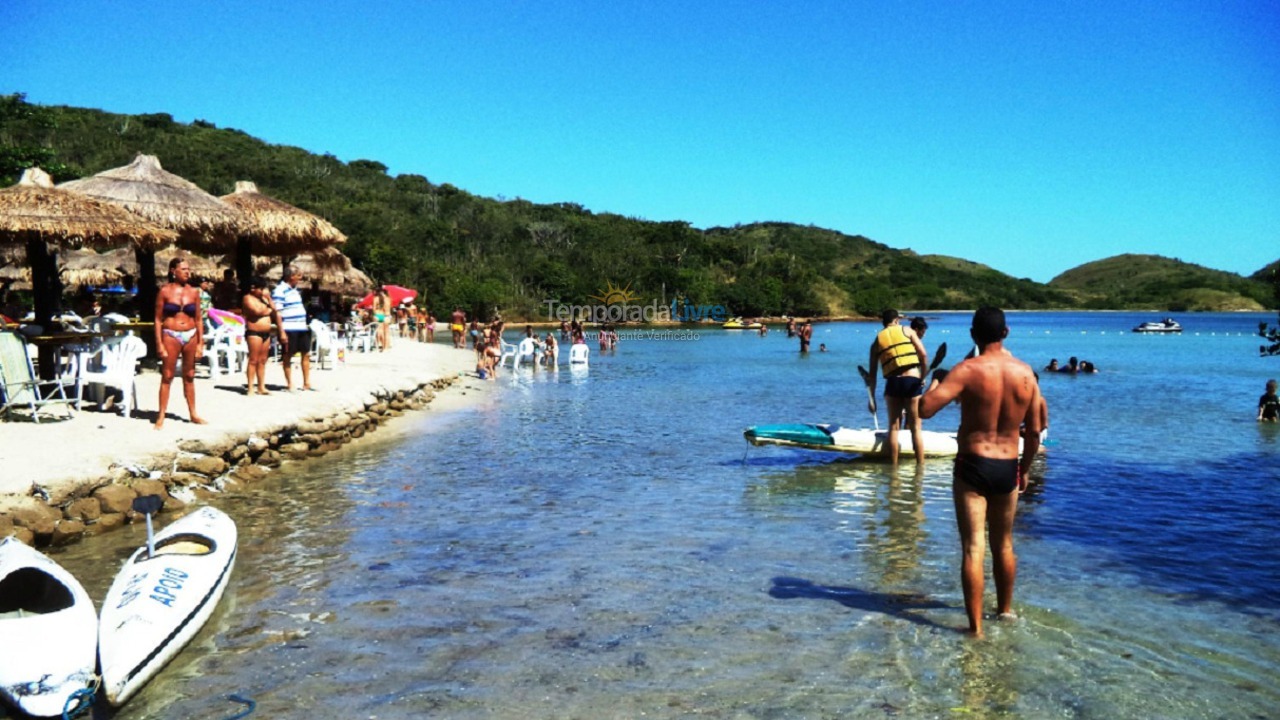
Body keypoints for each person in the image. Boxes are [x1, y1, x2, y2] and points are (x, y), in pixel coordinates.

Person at [920, 307, 1043, 637]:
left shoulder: (966, 370)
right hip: (1008, 466)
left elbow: (925, 410)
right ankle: (1005, 612)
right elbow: (1033, 432)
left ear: (973, 334)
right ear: (1006, 333)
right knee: (1003, 544)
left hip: (973, 464)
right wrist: (1025, 470)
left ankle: (975, 630)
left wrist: (933, 382)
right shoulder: (1027, 374)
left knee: (974, 548)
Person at [867, 309, 928, 464]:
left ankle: (893, 470)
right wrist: (923, 376)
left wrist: (871, 398)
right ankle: (920, 468)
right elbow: (924, 355)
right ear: (895, 321)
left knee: (894, 429)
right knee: (916, 428)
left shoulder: (876, 342)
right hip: (912, 381)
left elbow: (872, 376)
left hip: (893, 383)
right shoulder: (907, 331)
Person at [153, 256, 206, 428]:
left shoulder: (194, 292)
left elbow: (198, 319)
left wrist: (200, 343)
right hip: (171, 334)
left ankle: (193, 413)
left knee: (189, 375)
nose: (187, 272)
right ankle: (161, 415)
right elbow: (157, 319)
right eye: (183, 269)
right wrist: (159, 343)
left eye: (188, 269)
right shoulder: (164, 291)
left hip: (190, 334)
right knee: (167, 375)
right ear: (173, 271)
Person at [272, 264, 313, 392]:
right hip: (289, 327)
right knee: (287, 355)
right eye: (298, 276)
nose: (300, 279)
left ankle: (307, 383)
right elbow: (277, 312)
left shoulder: (295, 290)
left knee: (306, 354)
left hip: (301, 326)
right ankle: (290, 383)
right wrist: (281, 331)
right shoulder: (279, 290)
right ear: (291, 276)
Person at [241, 276, 284, 396]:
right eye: (261, 289)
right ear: (253, 288)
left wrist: (269, 300)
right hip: (254, 333)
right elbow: (257, 311)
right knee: (253, 360)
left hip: (266, 333)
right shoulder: (247, 298)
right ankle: (250, 387)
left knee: (263, 360)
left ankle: (261, 386)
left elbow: (275, 311)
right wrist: (268, 310)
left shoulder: (264, 300)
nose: (263, 291)